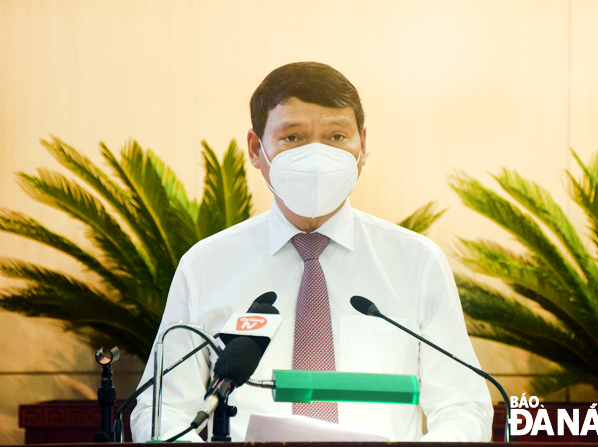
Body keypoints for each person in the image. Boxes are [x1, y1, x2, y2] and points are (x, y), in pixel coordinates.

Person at [130, 62, 493, 442]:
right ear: (256, 149)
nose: (318, 156)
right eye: (293, 138)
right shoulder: (205, 266)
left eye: (337, 136)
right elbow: (162, 410)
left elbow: (463, 406)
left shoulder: (417, 263)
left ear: (363, 146)